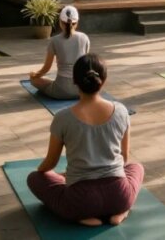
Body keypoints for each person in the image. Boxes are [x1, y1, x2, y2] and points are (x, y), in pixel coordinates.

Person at [28, 54, 143, 227]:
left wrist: (44, 173)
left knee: (34, 178)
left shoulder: (63, 117)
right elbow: (124, 158)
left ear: (75, 81)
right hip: (119, 196)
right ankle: (120, 213)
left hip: (81, 201)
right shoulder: (121, 111)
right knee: (136, 167)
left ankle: (82, 217)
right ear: (103, 81)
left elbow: (50, 163)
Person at [29, 6, 90, 99]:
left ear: (60, 22)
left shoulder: (54, 40)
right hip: (81, 90)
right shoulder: (84, 38)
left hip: (61, 91)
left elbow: (46, 68)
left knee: (33, 80)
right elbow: (86, 64)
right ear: (76, 23)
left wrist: (35, 74)